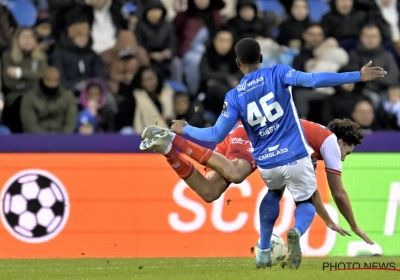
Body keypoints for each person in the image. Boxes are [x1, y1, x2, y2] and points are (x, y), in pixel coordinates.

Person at [142, 38, 386, 269]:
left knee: (249, 192)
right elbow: (313, 80)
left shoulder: (234, 95)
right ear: (261, 57)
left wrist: (188, 129)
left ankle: (263, 250)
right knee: (300, 198)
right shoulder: (278, 73)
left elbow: (216, 135)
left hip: (266, 161)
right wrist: (357, 76)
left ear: (238, 63)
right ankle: (296, 233)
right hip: (290, 152)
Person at [140, 118, 372, 245]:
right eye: (347, 152)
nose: (343, 158)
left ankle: (168, 149)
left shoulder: (311, 147)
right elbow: (339, 193)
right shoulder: (330, 141)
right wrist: (354, 225)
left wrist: (328, 221)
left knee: (209, 192)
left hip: (247, 135)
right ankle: (176, 139)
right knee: (237, 173)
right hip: (255, 135)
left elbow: (308, 192)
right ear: (341, 141)